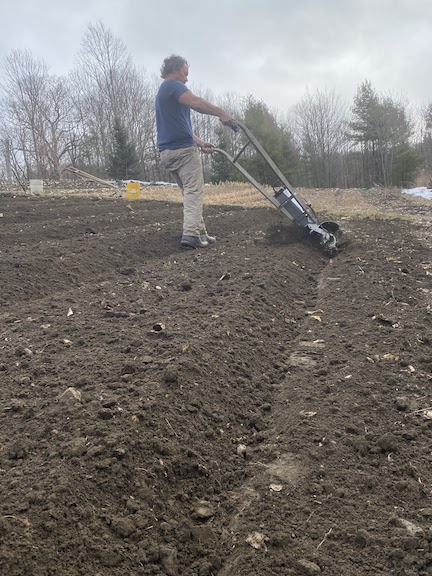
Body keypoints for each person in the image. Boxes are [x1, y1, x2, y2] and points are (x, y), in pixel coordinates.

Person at [155, 54, 236, 249]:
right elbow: (196, 103)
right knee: (193, 192)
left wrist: (199, 142)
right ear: (174, 71)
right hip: (183, 151)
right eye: (184, 74)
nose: (186, 79)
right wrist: (222, 113)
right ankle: (191, 234)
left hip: (168, 152)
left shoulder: (163, 92)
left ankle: (200, 232)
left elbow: (181, 126)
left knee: (190, 193)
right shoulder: (173, 86)